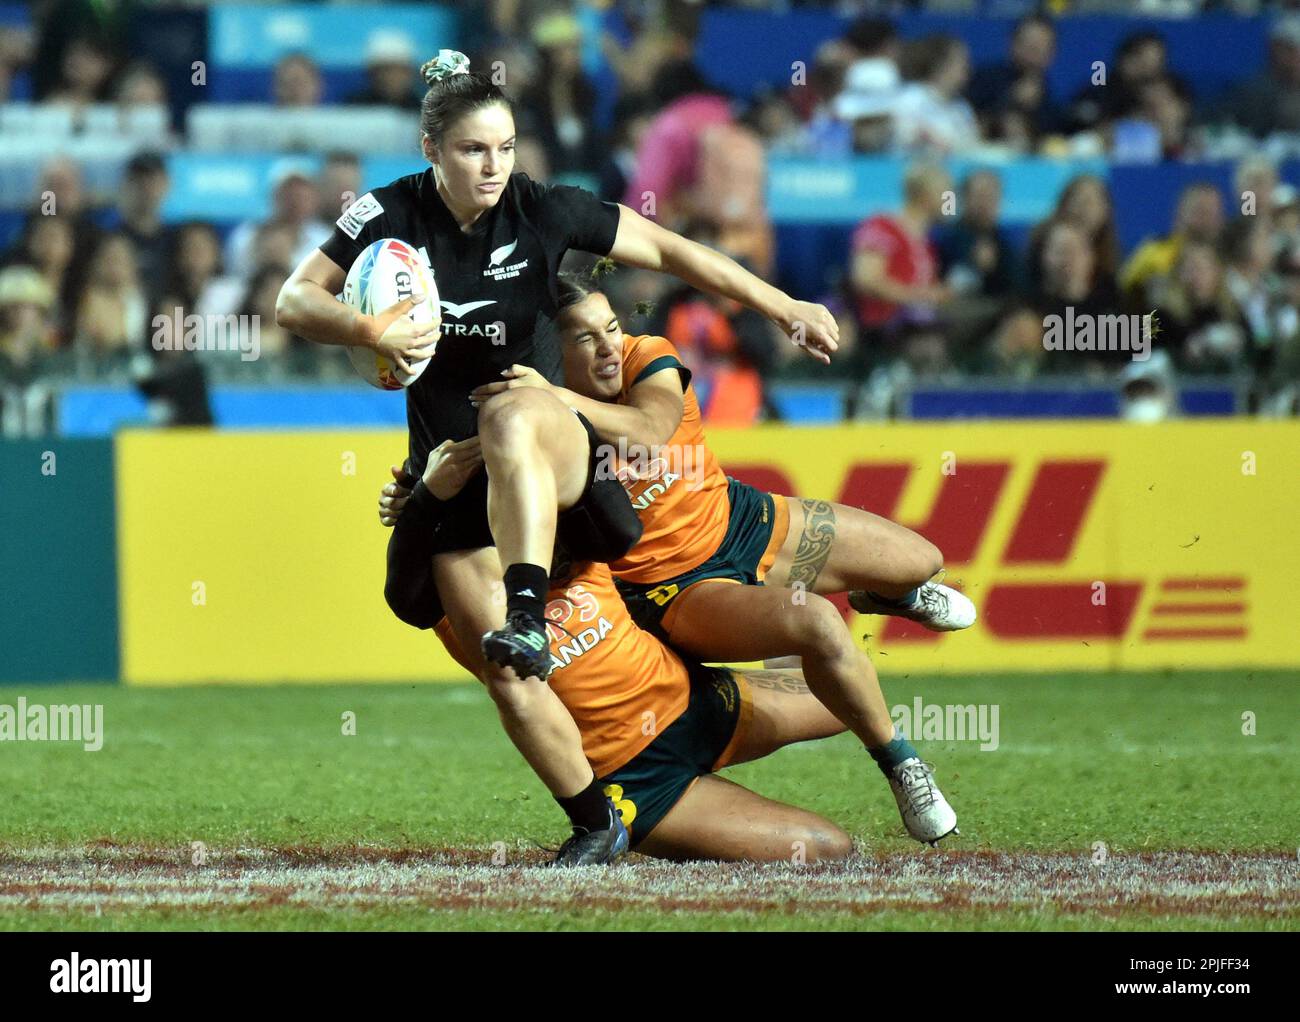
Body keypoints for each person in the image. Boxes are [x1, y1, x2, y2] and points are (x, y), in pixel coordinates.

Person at [276, 49, 839, 863]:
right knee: (504, 671)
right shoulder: (388, 214)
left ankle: (534, 613)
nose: (493, 166)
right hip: (460, 484)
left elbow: (675, 252)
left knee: (509, 411)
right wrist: (369, 330)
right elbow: (296, 300)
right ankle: (595, 820)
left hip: (563, 468)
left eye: (505, 148)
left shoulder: (546, 212)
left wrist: (783, 305)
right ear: (432, 149)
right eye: (474, 150)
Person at [386, 274, 972, 844]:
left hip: (743, 523)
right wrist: (422, 499)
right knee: (820, 636)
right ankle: (903, 766)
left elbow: (647, 432)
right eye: (586, 337)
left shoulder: (645, 358)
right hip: (678, 597)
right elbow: (436, 568)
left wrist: (556, 402)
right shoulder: (503, 528)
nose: (610, 346)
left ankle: (889, 593)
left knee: (920, 565)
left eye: (611, 326)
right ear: (550, 353)